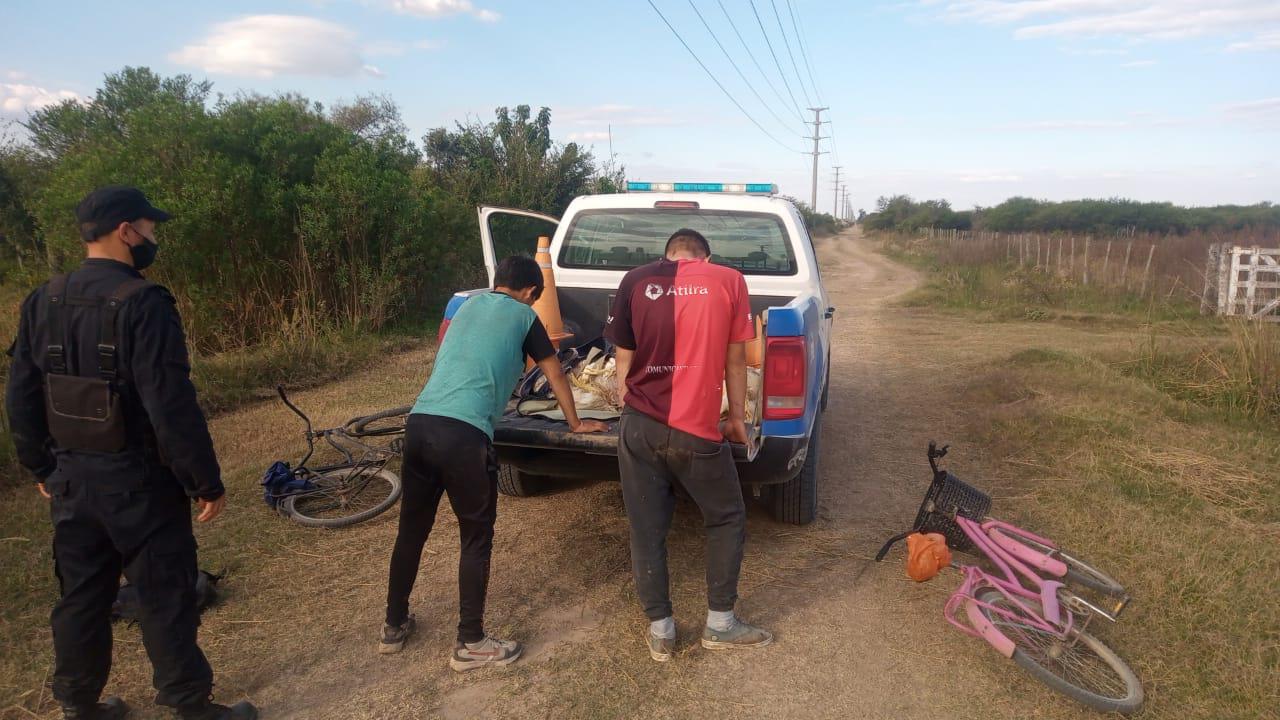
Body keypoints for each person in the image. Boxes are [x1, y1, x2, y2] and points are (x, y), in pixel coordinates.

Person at [4, 187, 256, 719]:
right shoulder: (144, 302)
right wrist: (203, 480)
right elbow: (170, 403)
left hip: (72, 478)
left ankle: (79, 704)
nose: (152, 238)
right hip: (139, 481)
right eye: (150, 228)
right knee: (164, 595)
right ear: (125, 231)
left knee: (82, 597)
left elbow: (21, 392)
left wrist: (41, 465)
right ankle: (191, 705)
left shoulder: (41, 299)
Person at [381, 255, 608, 670]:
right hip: (464, 437)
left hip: (420, 423)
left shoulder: (467, 307)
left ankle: (393, 625)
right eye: (535, 297)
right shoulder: (524, 316)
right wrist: (575, 424)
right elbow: (555, 371)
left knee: (411, 531)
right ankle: (470, 642)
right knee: (475, 539)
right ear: (529, 293)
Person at [605, 228, 772, 662]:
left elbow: (624, 358)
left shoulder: (635, 280)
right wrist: (736, 418)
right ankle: (720, 625)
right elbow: (737, 359)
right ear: (705, 257)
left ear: (667, 256)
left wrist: (630, 409)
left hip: (639, 426)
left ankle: (661, 631)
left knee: (646, 529)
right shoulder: (728, 279)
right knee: (726, 517)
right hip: (696, 431)